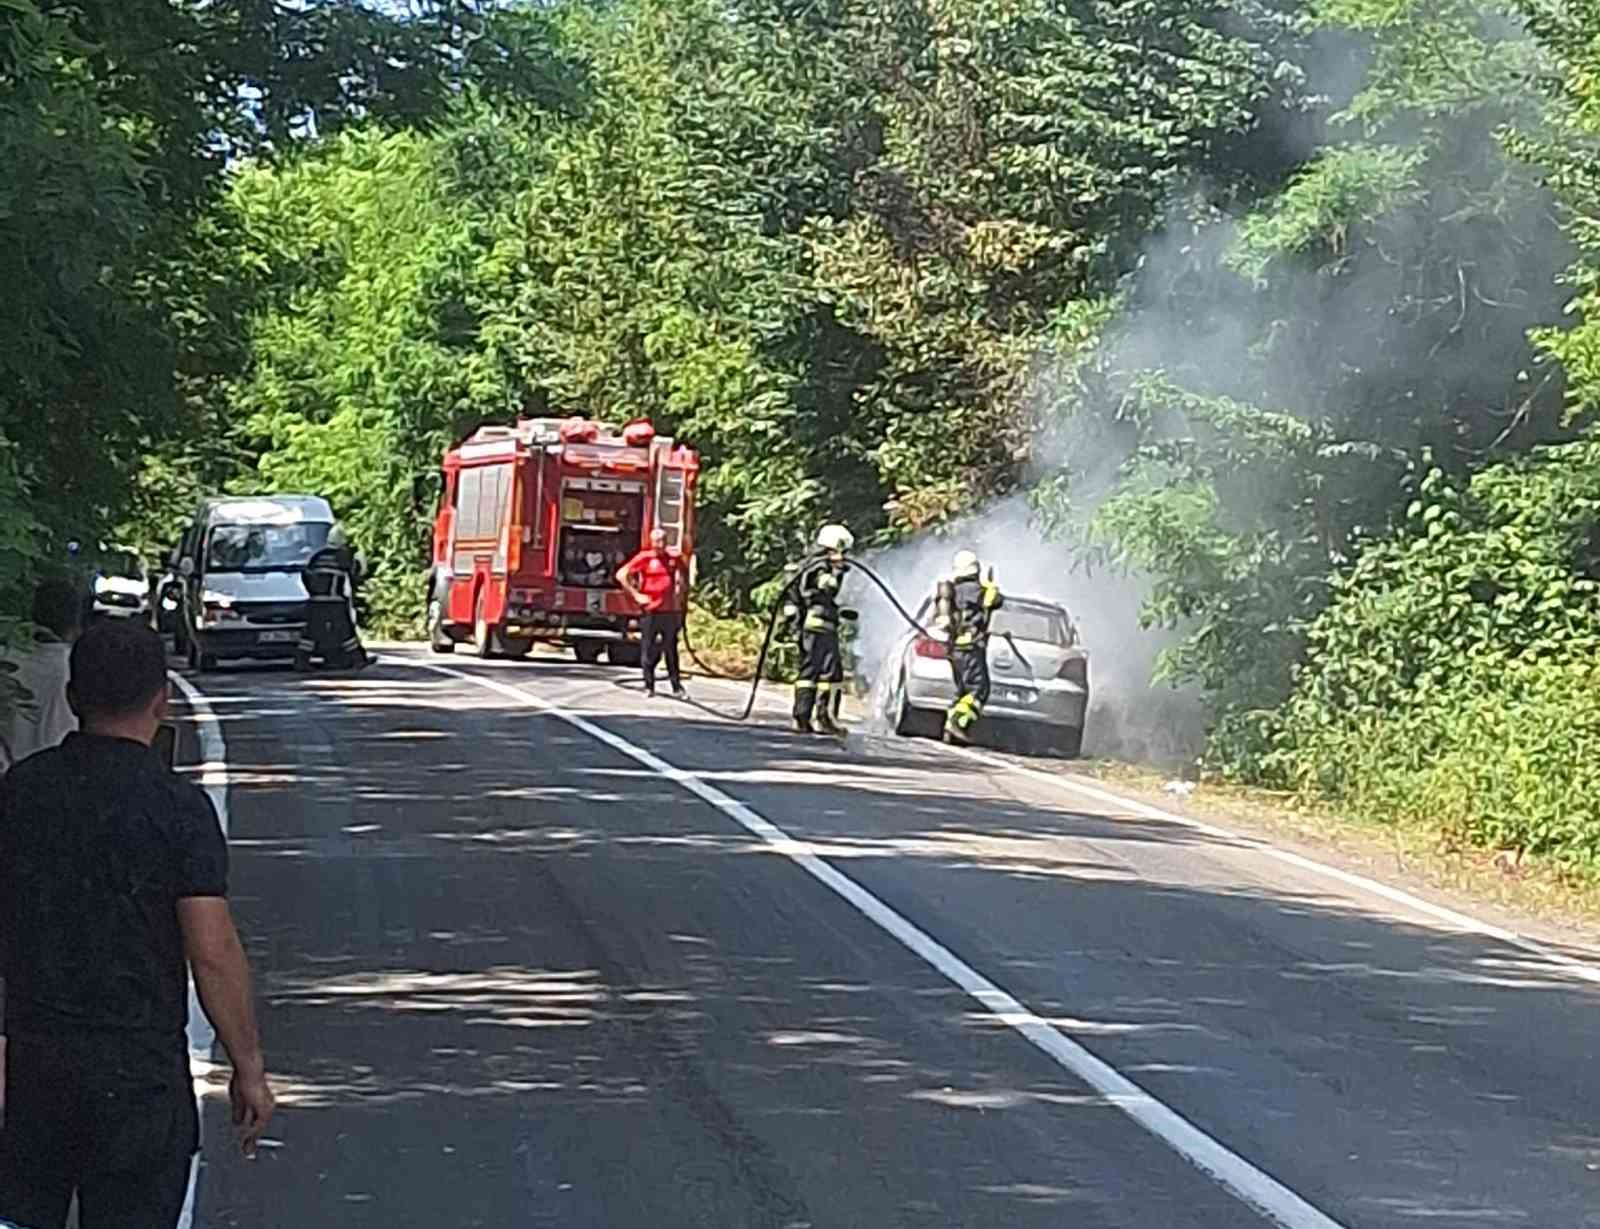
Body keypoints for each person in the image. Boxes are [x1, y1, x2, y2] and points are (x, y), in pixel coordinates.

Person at [0, 621, 275, 1228]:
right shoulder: (177, 807)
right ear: (162, 699)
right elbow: (212, 950)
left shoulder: (21, 792)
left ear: (73, 699)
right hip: (140, 1078)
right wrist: (247, 1067)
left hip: (33, 1071)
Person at [0, 579, 84, 772]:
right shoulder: (76, 667)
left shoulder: (7, 660)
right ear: (75, 624)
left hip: (7, 771)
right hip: (55, 775)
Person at [790, 524, 855, 736]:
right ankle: (826, 718)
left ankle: (802, 716)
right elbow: (827, 586)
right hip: (820, 625)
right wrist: (837, 570)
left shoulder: (808, 562)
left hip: (808, 625)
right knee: (831, 673)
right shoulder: (820, 566)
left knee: (809, 671)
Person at [936, 549, 1003, 744]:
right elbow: (995, 601)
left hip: (955, 648)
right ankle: (957, 721)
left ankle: (953, 727)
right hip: (971, 647)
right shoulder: (974, 589)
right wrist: (990, 587)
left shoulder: (953, 591)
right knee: (979, 690)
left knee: (963, 690)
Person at [617, 528, 688, 699]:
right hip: (651, 611)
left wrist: (681, 592)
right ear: (651, 542)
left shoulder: (673, 558)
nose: (660, 545)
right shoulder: (645, 558)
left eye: (663, 540)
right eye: (657, 541)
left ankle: (676, 686)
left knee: (671, 649)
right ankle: (649, 686)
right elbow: (622, 574)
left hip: (670, 611)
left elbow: (684, 573)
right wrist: (636, 595)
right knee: (647, 648)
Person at [295, 525, 371, 671]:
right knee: (345, 631)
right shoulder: (343, 556)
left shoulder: (318, 556)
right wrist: (360, 561)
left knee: (311, 632)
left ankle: (301, 661)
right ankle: (358, 660)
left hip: (316, 601)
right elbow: (356, 574)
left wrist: (313, 592)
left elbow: (305, 575)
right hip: (335, 601)